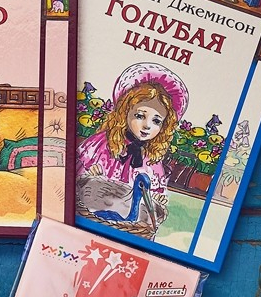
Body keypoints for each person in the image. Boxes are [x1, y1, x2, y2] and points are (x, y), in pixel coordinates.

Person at [76, 62, 188, 199]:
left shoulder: (150, 159)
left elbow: (155, 191)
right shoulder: (102, 143)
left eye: (156, 121)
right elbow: (78, 169)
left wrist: (156, 197)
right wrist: (90, 176)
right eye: (140, 116)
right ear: (125, 112)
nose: (147, 125)